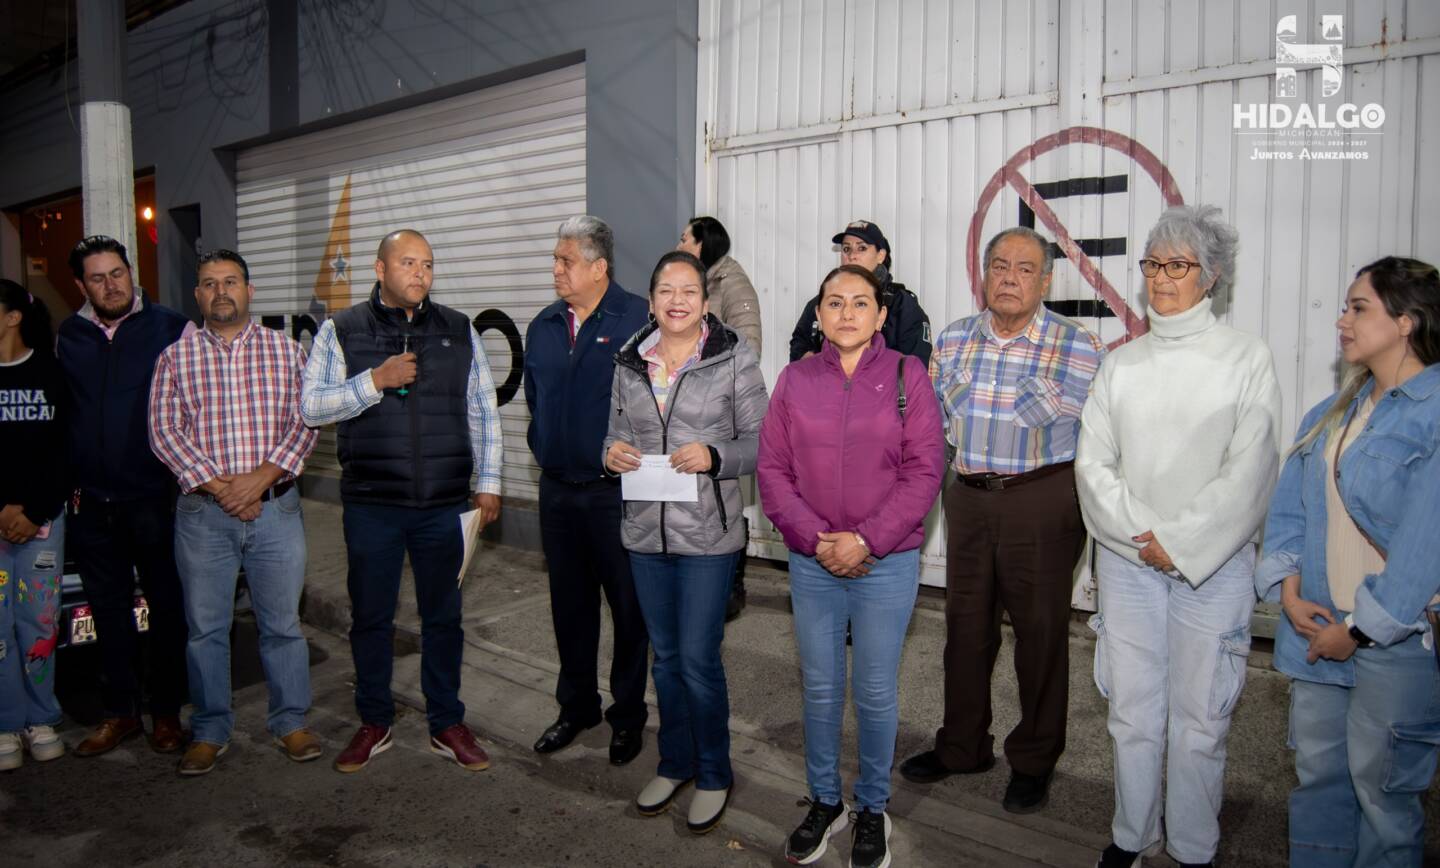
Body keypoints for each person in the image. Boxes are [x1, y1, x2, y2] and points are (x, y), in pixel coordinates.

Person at [1076, 205, 1284, 868]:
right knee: (1132, 714)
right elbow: (1092, 464)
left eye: (1178, 265)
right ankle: (1135, 836)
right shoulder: (1122, 364)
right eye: (1153, 264)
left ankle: (1194, 847)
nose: (1161, 278)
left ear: (1211, 276)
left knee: (1200, 721)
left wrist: (1184, 542)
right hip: (1129, 563)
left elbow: (1250, 470)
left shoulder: (1246, 358)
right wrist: (1144, 536)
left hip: (1212, 569)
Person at [899, 227, 1104, 816]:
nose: (1009, 278)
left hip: (1041, 501)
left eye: (1024, 268)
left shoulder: (1079, 345)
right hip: (968, 498)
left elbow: (1103, 442)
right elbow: (931, 430)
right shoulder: (955, 340)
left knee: (1039, 638)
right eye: (999, 266)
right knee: (965, 631)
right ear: (983, 275)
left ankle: (1034, 761)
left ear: (1046, 280)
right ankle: (962, 746)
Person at [758, 264, 945, 868]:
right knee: (818, 687)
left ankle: (871, 807)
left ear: (881, 315)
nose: (846, 313)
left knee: (873, 690)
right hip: (813, 561)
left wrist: (865, 541)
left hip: (885, 562)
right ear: (818, 313)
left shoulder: (905, 375)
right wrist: (818, 541)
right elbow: (772, 473)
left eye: (859, 303)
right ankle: (824, 800)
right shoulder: (794, 380)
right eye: (833, 302)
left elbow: (925, 471)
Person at [1257, 256, 1440, 868]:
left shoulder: (1433, 412)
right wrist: (1287, 590)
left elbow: (1424, 547)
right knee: (1319, 784)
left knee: (1385, 796)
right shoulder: (1330, 413)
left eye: (1358, 307)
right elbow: (1291, 513)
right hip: (1317, 627)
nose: (1342, 320)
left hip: (1393, 641)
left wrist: (1357, 631)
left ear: (1407, 321)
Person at [300, 228, 501, 773]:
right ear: (379, 268)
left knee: (444, 618)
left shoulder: (458, 329)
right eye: (408, 263)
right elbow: (312, 407)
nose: (420, 274)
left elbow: (482, 407)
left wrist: (491, 481)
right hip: (372, 505)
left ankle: (446, 722)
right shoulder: (341, 331)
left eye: (428, 265)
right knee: (371, 619)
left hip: (443, 504)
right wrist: (375, 381)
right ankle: (374, 720)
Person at [604, 250, 768, 834]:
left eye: (689, 291)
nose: (677, 300)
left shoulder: (732, 359)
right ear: (651, 302)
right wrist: (611, 454)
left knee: (698, 660)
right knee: (665, 658)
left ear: (705, 301)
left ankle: (715, 771)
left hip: (709, 536)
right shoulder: (629, 362)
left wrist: (717, 456)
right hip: (645, 533)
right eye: (666, 291)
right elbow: (615, 435)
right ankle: (673, 763)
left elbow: (762, 444)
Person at [148, 250, 321, 776]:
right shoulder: (174, 358)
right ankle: (209, 729)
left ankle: (290, 722)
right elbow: (163, 432)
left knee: (283, 625)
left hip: (276, 511)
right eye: (208, 283)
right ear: (197, 295)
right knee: (205, 629)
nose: (220, 291)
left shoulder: (288, 352)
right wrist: (224, 488)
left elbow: (307, 423)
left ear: (248, 290)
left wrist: (259, 481)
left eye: (230, 281)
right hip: (203, 516)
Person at [57, 235, 192, 758]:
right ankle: (120, 714)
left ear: (131, 272)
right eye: (98, 277)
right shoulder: (69, 335)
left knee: (167, 609)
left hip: (155, 500)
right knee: (108, 612)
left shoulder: (171, 327)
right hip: (91, 504)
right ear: (80, 285)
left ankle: (165, 714)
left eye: (118, 273)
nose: (111, 285)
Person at [524, 215, 651, 764]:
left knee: (628, 610)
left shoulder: (638, 321)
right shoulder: (544, 324)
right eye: (555, 259)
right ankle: (577, 707)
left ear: (599, 268)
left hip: (614, 494)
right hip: (556, 492)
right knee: (569, 608)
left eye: (565, 260)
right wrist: (547, 443)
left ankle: (628, 715)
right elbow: (536, 398)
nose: (555, 269)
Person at [676, 215, 761, 621]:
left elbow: (749, 343)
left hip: (721, 409)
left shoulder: (731, 282)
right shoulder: (694, 280)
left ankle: (731, 583)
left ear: (702, 244)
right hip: (686, 405)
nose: (678, 244)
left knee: (725, 494)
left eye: (684, 238)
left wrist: (714, 383)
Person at [0, 280, 67, 770]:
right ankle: (5, 722)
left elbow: (66, 453)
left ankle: (40, 718)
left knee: (39, 621)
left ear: (12, 317)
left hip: (42, 523)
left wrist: (34, 510)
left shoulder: (51, 372)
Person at [787, 220, 932, 366]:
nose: (852, 255)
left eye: (862, 248)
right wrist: (815, 366)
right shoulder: (822, 302)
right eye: (846, 249)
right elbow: (799, 345)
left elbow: (915, 367)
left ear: (880, 255)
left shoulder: (902, 305)